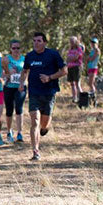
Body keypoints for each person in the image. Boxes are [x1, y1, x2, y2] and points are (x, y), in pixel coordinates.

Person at [19, 32, 66, 161]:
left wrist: (49, 77)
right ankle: (35, 151)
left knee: (44, 124)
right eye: (34, 41)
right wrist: (22, 83)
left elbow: (64, 71)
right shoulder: (29, 56)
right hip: (34, 92)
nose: (36, 43)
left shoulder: (53, 55)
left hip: (49, 93)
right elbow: (24, 71)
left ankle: (45, 128)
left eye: (39, 41)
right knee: (35, 121)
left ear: (45, 42)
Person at [2, 39, 26, 142]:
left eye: (18, 48)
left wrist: (22, 83)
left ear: (20, 49)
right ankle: (9, 131)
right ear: (10, 49)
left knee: (19, 108)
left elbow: (26, 73)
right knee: (9, 110)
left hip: (20, 87)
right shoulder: (6, 59)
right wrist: (8, 72)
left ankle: (20, 133)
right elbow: (2, 73)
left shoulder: (24, 59)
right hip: (8, 87)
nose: (16, 50)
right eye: (14, 48)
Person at [65, 36, 84, 103]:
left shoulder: (79, 49)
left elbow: (76, 58)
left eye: (73, 41)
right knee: (72, 83)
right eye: (70, 42)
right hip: (70, 67)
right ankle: (74, 98)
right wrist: (69, 59)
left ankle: (82, 98)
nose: (71, 43)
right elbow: (67, 58)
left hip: (76, 67)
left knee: (77, 83)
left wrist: (70, 59)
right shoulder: (70, 49)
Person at [85, 37, 100, 104]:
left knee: (91, 83)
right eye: (92, 42)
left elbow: (91, 59)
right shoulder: (92, 51)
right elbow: (87, 59)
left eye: (94, 42)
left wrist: (89, 59)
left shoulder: (97, 50)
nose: (92, 44)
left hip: (94, 68)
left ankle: (94, 98)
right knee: (90, 83)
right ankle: (92, 96)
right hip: (90, 67)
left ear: (97, 43)